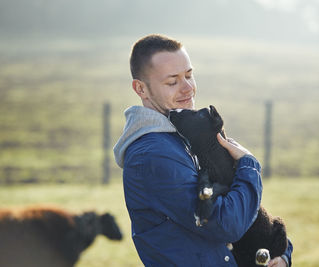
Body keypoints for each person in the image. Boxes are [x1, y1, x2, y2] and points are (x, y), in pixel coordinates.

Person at [114, 34, 293, 267]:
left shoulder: (187, 135)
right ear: (141, 89)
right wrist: (249, 166)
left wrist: (282, 255)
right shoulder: (152, 155)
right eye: (172, 82)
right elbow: (227, 225)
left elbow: (247, 213)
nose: (188, 88)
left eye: (189, 75)